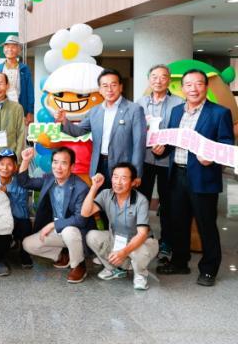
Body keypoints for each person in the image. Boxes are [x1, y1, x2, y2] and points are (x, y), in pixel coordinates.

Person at [153, 69, 234, 286]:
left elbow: (226, 143)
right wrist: (160, 150)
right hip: (177, 175)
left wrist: (212, 157)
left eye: (198, 84)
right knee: (178, 222)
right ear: (182, 88)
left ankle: (209, 269)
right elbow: (171, 142)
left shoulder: (219, 113)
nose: (194, 89)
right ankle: (180, 262)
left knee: (206, 224)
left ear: (206, 87)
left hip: (203, 177)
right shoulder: (177, 111)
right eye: (188, 85)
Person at [58, 68, 147, 189]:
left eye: (113, 85)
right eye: (105, 86)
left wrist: (136, 172)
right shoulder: (95, 111)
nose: (109, 89)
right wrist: (64, 120)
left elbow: (139, 143)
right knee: (99, 198)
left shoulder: (134, 109)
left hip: (123, 167)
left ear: (121, 87)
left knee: (120, 198)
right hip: (99, 164)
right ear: (100, 90)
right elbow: (78, 131)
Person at [17, 147, 90, 283]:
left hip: (75, 232)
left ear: (72, 166)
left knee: (69, 231)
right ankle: (62, 256)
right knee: (28, 244)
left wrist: (53, 224)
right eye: (55, 162)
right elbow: (25, 182)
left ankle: (79, 265)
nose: (58, 167)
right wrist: (26, 160)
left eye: (63, 163)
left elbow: (80, 220)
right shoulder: (49, 179)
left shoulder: (81, 188)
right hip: (57, 231)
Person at [82, 164, 159, 290]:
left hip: (141, 242)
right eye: (115, 177)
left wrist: (123, 252)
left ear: (133, 182)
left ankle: (140, 274)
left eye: (123, 178)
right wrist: (94, 187)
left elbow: (142, 234)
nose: (118, 182)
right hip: (117, 240)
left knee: (137, 249)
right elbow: (85, 213)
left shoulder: (141, 201)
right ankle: (114, 269)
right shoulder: (106, 194)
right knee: (92, 236)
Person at [136, 64, 183, 263]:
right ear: (149, 79)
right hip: (145, 160)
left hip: (168, 162)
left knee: (168, 203)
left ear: (169, 80)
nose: (158, 80)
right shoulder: (140, 103)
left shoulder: (179, 103)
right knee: (141, 200)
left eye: (163, 77)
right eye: (154, 76)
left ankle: (166, 242)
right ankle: (143, 236)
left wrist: (166, 146)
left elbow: (181, 132)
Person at [0, 148, 33, 268]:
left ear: (15, 167)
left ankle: (24, 253)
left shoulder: (21, 183)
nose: (5, 168)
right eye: (2, 164)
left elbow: (22, 212)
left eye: (9, 164)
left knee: (25, 224)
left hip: (16, 220)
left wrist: (7, 197)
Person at [0, 34, 34, 125]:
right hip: (0, 106)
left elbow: (30, 91)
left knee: (19, 131)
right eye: (7, 46)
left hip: (19, 107)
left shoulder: (24, 69)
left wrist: (30, 111)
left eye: (13, 47)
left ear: (19, 50)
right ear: (3, 49)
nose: (10, 49)